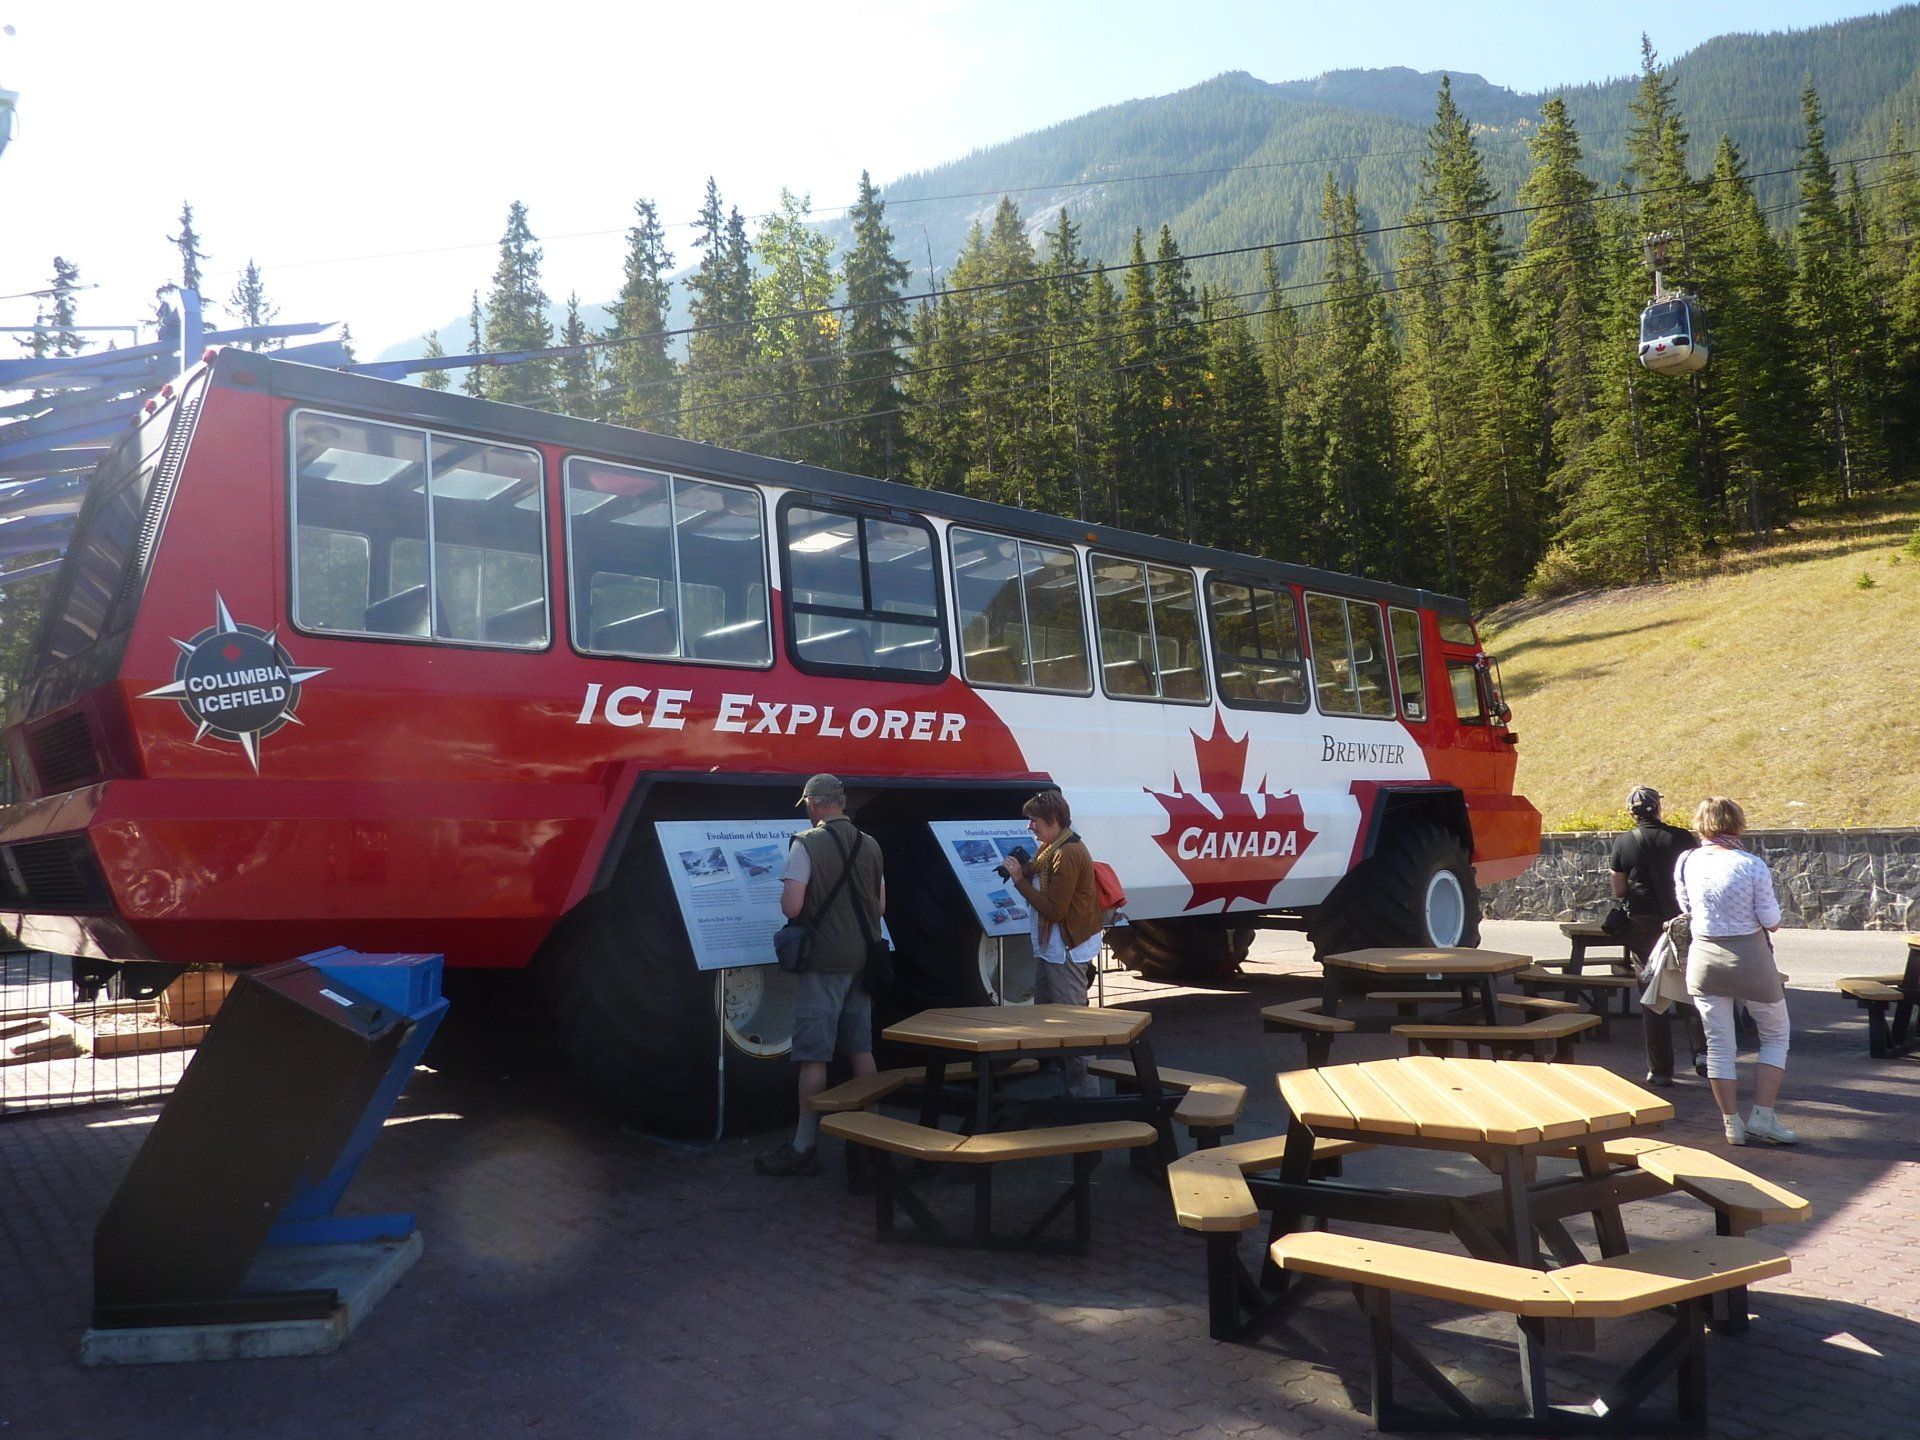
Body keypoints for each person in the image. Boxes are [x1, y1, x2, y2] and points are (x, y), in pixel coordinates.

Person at [755, 774, 887, 1177]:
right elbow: (880, 907)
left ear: (813, 803)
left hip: (823, 964)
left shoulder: (806, 843)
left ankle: (804, 1145)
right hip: (863, 962)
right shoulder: (870, 844)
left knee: (814, 1056)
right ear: (841, 803)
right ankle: (872, 1137)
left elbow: (792, 907)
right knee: (861, 1050)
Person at [1674, 797, 1795, 1147]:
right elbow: (1771, 921)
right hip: (1750, 958)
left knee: (1719, 1045)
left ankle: (1731, 1123)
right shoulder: (1750, 864)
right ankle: (1763, 1115)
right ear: (1737, 823)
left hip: (1704, 958)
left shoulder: (1687, 861)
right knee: (1775, 1035)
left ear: (1701, 824)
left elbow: (1685, 906)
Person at [1003, 790, 1103, 1099]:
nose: (1029, 827)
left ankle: (1086, 1099)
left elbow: (1054, 911)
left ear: (1053, 820)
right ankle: (1070, 1090)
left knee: (1073, 1025)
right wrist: (1025, 870)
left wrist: (1019, 880)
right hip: (1054, 948)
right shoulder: (1051, 849)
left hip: (1066, 950)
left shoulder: (1067, 853)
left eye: (1034, 821)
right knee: (1047, 1016)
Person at [1608, 786, 1698, 1086]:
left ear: (1631, 813)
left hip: (1644, 923)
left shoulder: (1624, 842)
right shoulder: (1683, 838)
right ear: (1658, 807)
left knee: (1651, 993)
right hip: (1681, 920)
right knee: (1689, 983)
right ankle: (1703, 1053)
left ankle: (1660, 1069)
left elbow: (1619, 889)